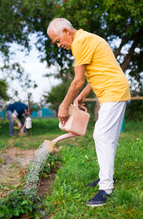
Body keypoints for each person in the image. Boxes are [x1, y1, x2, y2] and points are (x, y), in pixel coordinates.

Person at [47, 18, 131, 207]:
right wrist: (83, 95)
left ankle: (106, 189)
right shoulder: (85, 39)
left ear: (67, 31)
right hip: (114, 90)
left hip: (114, 91)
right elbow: (96, 74)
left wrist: (64, 105)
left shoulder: (80, 42)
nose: (60, 46)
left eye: (58, 41)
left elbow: (77, 80)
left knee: (101, 136)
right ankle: (105, 179)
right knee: (108, 138)